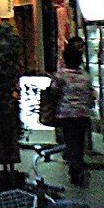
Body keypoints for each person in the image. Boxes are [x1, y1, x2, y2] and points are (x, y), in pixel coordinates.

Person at [50, 44, 95, 185]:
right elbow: (91, 94)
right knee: (80, 142)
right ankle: (78, 167)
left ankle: (75, 168)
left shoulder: (61, 75)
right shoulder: (85, 76)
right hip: (83, 113)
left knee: (70, 142)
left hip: (67, 113)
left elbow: (54, 92)